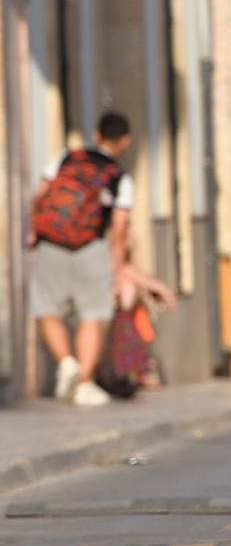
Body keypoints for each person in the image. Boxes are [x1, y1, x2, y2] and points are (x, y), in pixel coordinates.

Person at [27, 112, 138, 407]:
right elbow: (120, 228)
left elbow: (39, 195)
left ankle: (66, 363)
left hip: (51, 243)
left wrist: (33, 231)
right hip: (91, 247)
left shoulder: (66, 158)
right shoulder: (119, 176)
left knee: (46, 309)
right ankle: (84, 384)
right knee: (92, 315)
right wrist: (117, 267)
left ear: (95, 134)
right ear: (125, 141)